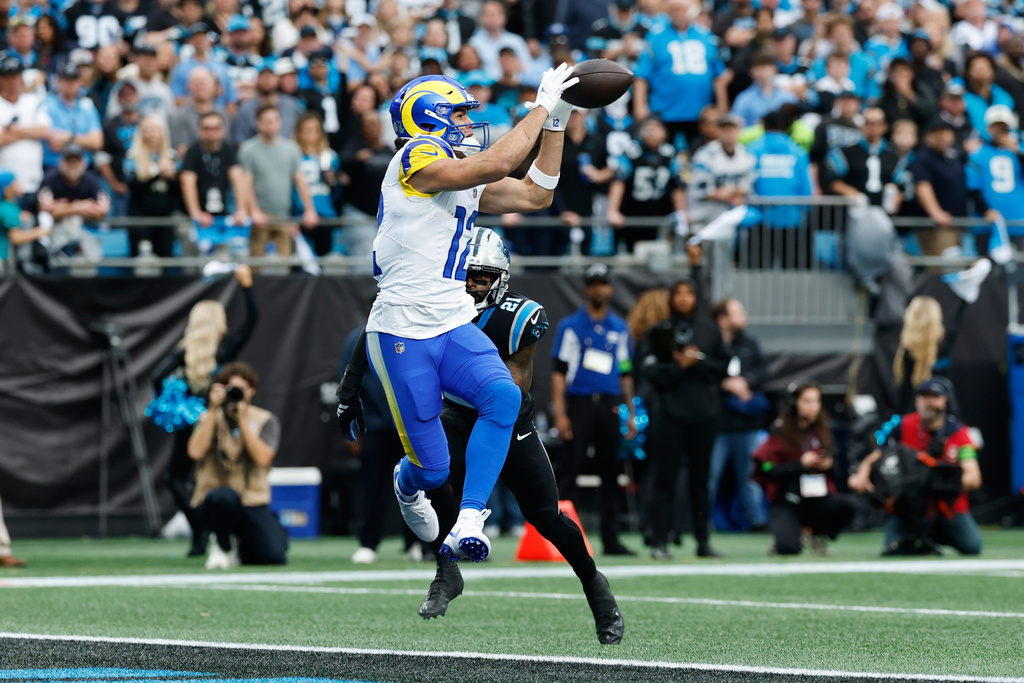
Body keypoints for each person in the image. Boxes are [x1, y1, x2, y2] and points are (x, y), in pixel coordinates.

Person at [335, 66, 580, 563]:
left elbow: (537, 194)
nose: (469, 123)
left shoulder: (457, 170)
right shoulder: (416, 157)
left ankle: (471, 517)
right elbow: (493, 165)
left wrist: (555, 123)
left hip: (450, 320)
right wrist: (538, 107)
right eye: (461, 114)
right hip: (402, 328)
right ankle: (407, 485)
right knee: (432, 470)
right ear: (431, 118)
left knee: (502, 397)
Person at [415, 228, 624, 645]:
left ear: (500, 278)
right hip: (458, 415)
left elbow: (511, 389)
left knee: (547, 517)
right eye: (467, 274)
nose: (472, 283)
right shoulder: (438, 307)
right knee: (429, 473)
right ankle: (446, 571)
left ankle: (596, 588)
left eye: (481, 276)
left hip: (508, 422)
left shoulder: (518, 316)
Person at [150, 266, 258, 557]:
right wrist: (246, 287)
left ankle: (201, 529)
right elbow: (251, 323)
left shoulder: (184, 353)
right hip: (217, 422)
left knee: (178, 478)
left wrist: (182, 409)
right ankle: (201, 531)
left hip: (192, 425)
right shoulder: (222, 352)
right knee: (201, 478)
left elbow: (156, 378)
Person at [641, 250, 728, 559]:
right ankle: (660, 541)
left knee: (700, 482)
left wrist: (695, 363)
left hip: (704, 413)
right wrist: (681, 368)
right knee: (665, 479)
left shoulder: (709, 330)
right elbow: (651, 373)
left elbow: (722, 369)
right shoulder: (660, 331)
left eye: (689, 293)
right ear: (671, 299)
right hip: (670, 414)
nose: (683, 298)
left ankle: (703, 541)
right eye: (677, 294)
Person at [550, 264, 637, 556]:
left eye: (603, 284)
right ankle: (561, 539)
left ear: (610, 289)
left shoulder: (620, 328)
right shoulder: (571, 326)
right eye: (593, 284)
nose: (599, 289)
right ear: (587, 290)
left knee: (610, 472)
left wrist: (631, 412)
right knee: (570, 470)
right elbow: (559, 372)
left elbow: (626, 372)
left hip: (609, 404)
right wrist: (560, 413)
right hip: (581, 404)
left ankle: (611, 540)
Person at [849, 378, 982, 556]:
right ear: (917, 400)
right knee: (893, 549)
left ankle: (934, 536)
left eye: (934, 397)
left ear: (946, 400)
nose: (929, 401)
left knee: (972, 546)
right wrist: (861, 474)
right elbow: (877, 455)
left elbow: (973, 477)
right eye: (924, 396)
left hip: (945, 507)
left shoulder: (959, 433)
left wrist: (939, 484)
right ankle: (917, 537)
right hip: (908, 507)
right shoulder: (902, 425)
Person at [187, 361, 288, 569]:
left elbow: (263, 458)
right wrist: (213, 410)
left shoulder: (265, 420)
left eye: (239, 389)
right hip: (215, 501)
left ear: (251, 391)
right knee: (225, 497)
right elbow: (195, 452)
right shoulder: (207, 418)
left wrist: (242, 421)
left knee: (273, 555)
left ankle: (239, 546)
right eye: (229, 389)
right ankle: (222, 544)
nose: (234, 394)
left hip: (251, 501)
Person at [753, 380, 856, 555]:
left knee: (847, 507)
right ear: (794, 403)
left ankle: (815, 533)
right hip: (788, 499)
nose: (813, 407)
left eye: (816, 401)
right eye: (807, 401)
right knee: (788, 548)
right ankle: (784, 535)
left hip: (816, 498)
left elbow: (837, 471)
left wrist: (828, 465)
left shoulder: (822, 429)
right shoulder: (780, 431)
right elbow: (769, 470)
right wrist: (800, 465)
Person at [708, 298, 769, 531]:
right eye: (738, 312)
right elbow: (702, 374)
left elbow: (763, 371)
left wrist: (746, 381)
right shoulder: (711, 344)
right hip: (718, 424)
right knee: (709, 477)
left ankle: (758, 521)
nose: (744, 315)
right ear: (722, 319)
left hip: (748, 424)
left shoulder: (749, 343)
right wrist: (725, 384)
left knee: (750, 476)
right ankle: (701, 523)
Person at [633, 0, 729, 148]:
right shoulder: (655, 36)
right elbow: (641, 75)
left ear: (690, 10)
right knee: (665, 156)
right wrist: (640, 106)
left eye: (680, 8)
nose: (677, 12)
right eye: (673, 9)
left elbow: (719, 75)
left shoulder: (705, 36)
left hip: (701, 113)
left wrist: (721, 107)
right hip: (664, 110)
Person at [238, 103, 319, 258]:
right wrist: (253, 211)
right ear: (258, 123)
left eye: (274, 120)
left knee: (284, 264)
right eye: (266, 121)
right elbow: (245, 184)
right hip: (260, 216)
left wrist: (309, 209)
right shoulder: (248, 150)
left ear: (280, 122)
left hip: (284, 215)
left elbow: (300, 181)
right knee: (257, 264)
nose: (270, 124)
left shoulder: (291, 148)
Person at [606, 117, 687, 252]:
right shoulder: (632, 151)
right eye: (648, 127)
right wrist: (613, 210)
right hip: (630, 213)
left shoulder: (670, 153)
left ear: (665, 132)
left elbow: (677, 185)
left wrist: (681, 212)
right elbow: (618, 181)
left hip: (658, 213)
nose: (652, 131)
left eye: (657, 127)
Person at [180, 111, 249, 250]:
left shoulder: (228, 149)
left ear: (223, 130)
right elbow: (187, 181)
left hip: (221, 214)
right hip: (195, 215)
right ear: (199, 130)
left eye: (215, 128)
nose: (211, 132)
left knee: (225, 257)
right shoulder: (193, 152)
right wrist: (196, 213)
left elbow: (238, 178)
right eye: (206, 128)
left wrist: (241, 210)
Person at [966, 105, 1024, 255]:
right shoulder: (978, 154)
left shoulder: (1018, 151)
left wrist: (1018, 151)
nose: (999, 132)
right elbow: (972, 186)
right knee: (989, 268)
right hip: (989, 223)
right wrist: (985, 209)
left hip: (1018, 221)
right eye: (996, 127)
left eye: (1003, 128)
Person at [123, 114, 179, 257]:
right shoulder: (132, 156)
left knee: (165, 256)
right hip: (140, 215)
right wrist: (157, 174)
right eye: (147, 130)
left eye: (155, 129)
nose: (151, 134)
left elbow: (178, 190)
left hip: (165, 216)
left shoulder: (172, 156)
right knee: (142, 258)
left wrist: (171, 177)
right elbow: (133, 187)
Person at [688, 113, 755, 225]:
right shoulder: (705, 154)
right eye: (725, 129)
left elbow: (747, 188)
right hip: (704, 215)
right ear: (718, 131)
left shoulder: (746, 154)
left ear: (739, 131)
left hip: (731, 215)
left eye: (732, 129)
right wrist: (730, 193)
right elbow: (702, 191)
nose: (729, 133)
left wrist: (728, 191)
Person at [0, 54, 52, 198]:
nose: (12, 81)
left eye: (15, 76)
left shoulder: (33, 101)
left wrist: (12, 129)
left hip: (34, 180)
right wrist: (29, 133)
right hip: (6, 187)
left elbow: (45, 131)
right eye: (7, 76)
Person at [294, 112, 340, 256]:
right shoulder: (294, 156)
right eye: (306, 130)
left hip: (325, 212)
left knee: (323, 256)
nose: (310, 135)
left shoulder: (330, 156)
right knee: (301, 260)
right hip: (299, 214)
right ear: (299, 133)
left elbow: (337, 190)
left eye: (314, 130)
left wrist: (333, 182)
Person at [44, 62, 103, 171]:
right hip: (55, 168)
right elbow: (54, 142)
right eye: (66, 80)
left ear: (80, 83)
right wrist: (84, 140)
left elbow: (97, 141)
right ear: (58, 82)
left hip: (83, 169)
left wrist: (69, 137)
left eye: (73, 80)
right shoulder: (47, 104)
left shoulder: (87, 106)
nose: (70, 84)